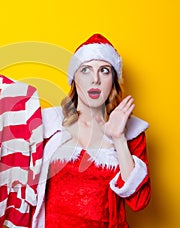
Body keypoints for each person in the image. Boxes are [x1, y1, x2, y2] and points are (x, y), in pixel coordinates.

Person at [31, 34, 151, 228]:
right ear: (74, 79)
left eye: (104, 70)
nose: (95, 79)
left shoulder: (131, 131)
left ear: (113, 80)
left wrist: (118, 138)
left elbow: (139, 201)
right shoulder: (47, 124)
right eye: (86, 70)